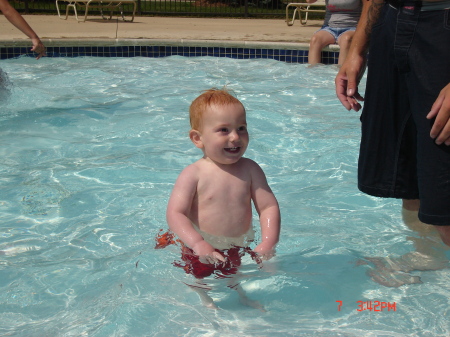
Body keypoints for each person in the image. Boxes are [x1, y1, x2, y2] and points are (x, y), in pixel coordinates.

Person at [335, 0, 450, 249]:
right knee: (409, 177)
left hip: (442, 20)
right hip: (391, 20)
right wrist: (357, 49)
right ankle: (428, 256)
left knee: (443, 184)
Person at [165, 88, 281, 309]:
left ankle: (238, 293)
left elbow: (268, 207)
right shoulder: (193, 174)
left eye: (241, 128)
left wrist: (268, 242)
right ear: (198, 138)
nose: (235, 137)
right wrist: (198, 243)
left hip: (236, 243)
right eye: (223, 130)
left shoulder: (250, 169)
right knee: (199, 277)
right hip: (201, 243)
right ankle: (204, 300)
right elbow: (175, 213)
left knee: (233, 272)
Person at [307, 0, 362, 65]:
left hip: (352, 27)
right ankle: (312, 73)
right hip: (329, 28)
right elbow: (309, 1)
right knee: (315, 40)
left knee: (346, 39)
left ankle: (340, 72)